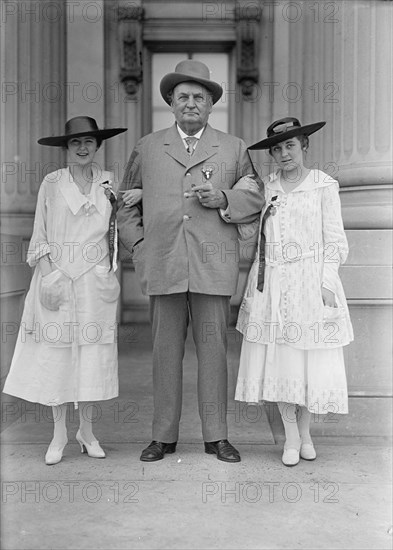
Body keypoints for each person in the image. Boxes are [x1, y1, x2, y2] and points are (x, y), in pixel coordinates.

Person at [117, 60, 264, 463]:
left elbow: (255, 198)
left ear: (211, 104)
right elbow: (126, 205)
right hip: (163, 263)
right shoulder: (147, 147)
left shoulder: (234, 148)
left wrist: (225, 199)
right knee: (164, 353)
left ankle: (217, 436)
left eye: (200, 96)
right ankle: (163, 436)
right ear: (170, 102)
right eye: (183, 96)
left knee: (214, 352)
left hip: (212, 266)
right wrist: (141, 247)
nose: (191, 103)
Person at [3, 116, 127, 465]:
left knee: (91, 356)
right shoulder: (52, 183)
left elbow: (114, 233)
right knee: (56, 357)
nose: (83, 148)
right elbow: (40, 234)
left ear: (98, 145)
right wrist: (49, 276)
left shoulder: (108, 184)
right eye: (75, 143)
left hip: (94, 281)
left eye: (89, 141)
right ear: (66, 148)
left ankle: (86, 432)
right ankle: (58, 435)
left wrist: (106, 269)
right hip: (56, 276)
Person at [235, 117, 354, 466]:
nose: (284, 153)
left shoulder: (323, 185)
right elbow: (253, 237)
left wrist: (327, 282)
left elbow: (335, 240)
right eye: (277, 148)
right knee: (281, 361)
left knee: (308, 362)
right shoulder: (267, 188)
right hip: (272, 283)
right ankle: (289, 437)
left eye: (290, 145)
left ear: (304, 146)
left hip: (311, 280)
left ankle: (306, 433)